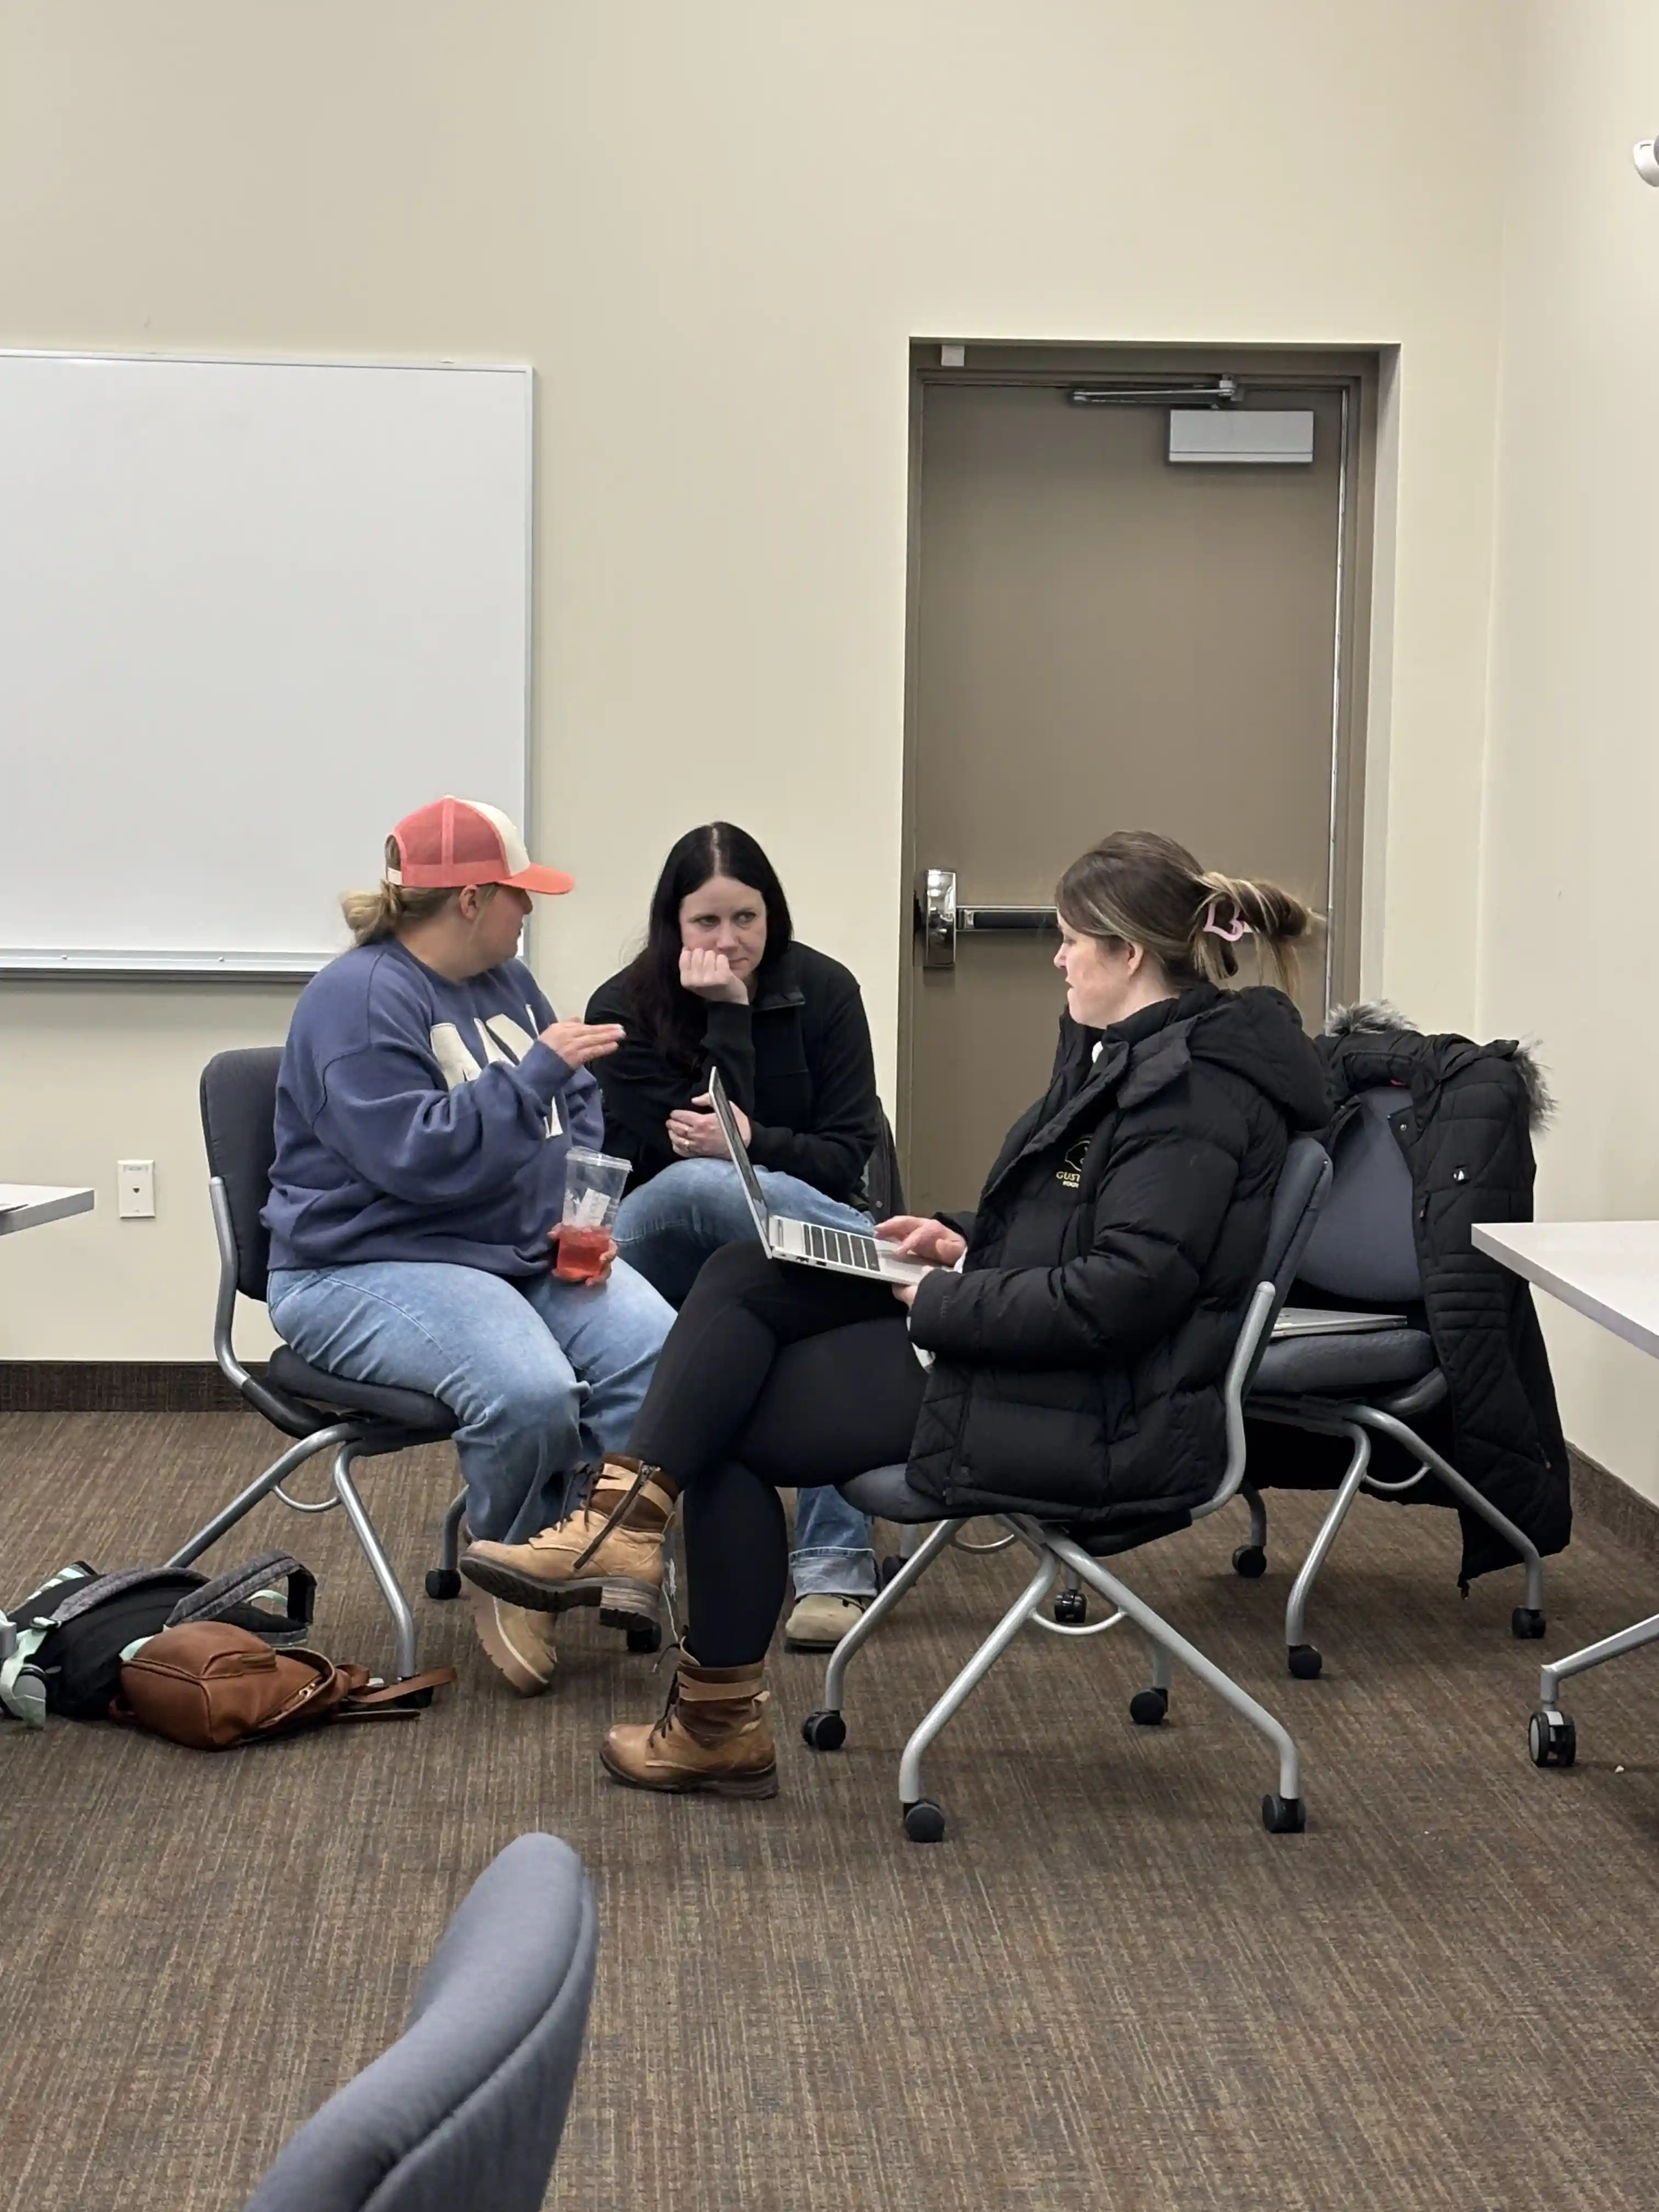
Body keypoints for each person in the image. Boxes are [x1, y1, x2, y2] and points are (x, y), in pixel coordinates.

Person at [464, 830, 1330, 1798]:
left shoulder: (1187, 1094)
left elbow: (1123, 1296)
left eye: (1071, 937)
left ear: (1130, 956)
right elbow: (1085, 1228)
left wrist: (950, 1300)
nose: (1056, 955)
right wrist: (963, 1238)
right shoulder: (1137, 1059)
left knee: (731, 1423)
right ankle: (630, 1530)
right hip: (1039, 1356)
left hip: (1105, 1407)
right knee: (750, 1276)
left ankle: (696, 1687)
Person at [263, 794, 674, 1700]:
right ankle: (512, 1570)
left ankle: (588, 1546)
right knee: (528, 1392)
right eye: (520, 895)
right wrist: (534, 1075)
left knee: (658, 1351)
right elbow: (415, 1159)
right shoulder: (357, 1002)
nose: (533, 911)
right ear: (472, 899)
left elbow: (575, 1100)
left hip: (508, 1251)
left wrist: (584, 1205)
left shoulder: (508, 984)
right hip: (363, 1265)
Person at [587, 822, 888, 1651]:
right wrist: (727, 1019)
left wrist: (756, 1143)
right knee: (703, 1184)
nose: (729, 943)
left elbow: (844, 1153)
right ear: (671, 925)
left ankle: (832, 1572)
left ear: (772, 913)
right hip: (660, 1244)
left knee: (825, 1315)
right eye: (706, 923)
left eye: (746, 920)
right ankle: (894, 1272)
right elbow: (671, 1165)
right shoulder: (622, 1009)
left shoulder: (825, 991)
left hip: (791, 1236)